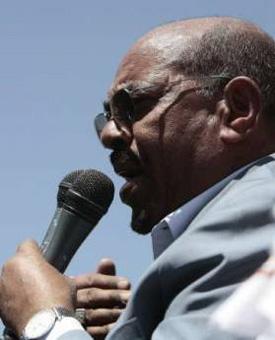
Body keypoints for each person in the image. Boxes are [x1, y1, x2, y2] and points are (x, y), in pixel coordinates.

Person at [1, 15, 275, 339]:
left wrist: (46, 321)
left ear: (237, 109)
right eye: (108, 117)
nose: (109, 134)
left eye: (132, 107)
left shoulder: (260, 211)